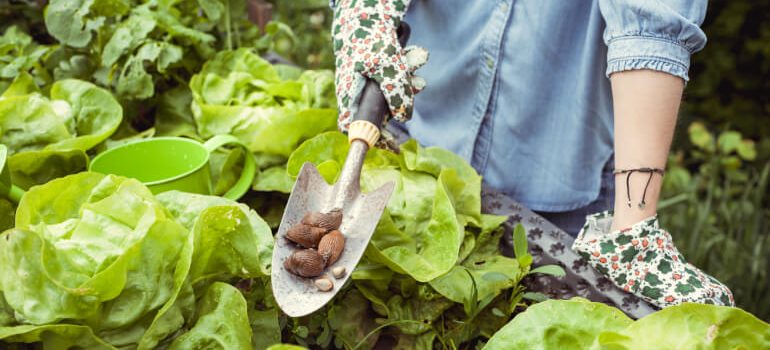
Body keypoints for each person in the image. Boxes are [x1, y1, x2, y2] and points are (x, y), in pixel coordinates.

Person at [330, 0, 734, 308]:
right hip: (414, 133)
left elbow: (652, 26)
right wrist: (362, 16)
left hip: (560, 179)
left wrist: (633, 227)